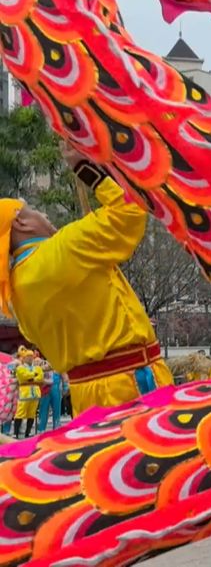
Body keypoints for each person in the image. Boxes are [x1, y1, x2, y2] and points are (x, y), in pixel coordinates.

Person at [0, 148, 173, 416]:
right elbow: (129, 211)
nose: (46, 216)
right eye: (36, 211)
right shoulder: (66, 247)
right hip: (129, 385)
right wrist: (86, 168)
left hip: (84, 396)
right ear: (21, 223)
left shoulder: (16, 294)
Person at [13, 348, 41, 438]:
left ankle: (27, 433)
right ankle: (16, 433)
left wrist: (31, 376)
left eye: (31, 356)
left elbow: (40, 377)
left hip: (35, 393)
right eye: (28, 356)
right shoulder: (20, 368)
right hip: (25, 393)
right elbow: (23, 376)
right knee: (20, 413)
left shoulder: (37, 368)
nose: (30, 358)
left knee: (32, 414)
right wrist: (34, 375)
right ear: (24, 358)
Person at [35, 353, 61, 433]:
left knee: (57, 408)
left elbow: (63, 375)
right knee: (43, 409)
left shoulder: (57, 363)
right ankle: (41, 429)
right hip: (45, 388)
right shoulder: (39, 361)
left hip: (55, 387)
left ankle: (57, 427)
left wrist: (65, 387)